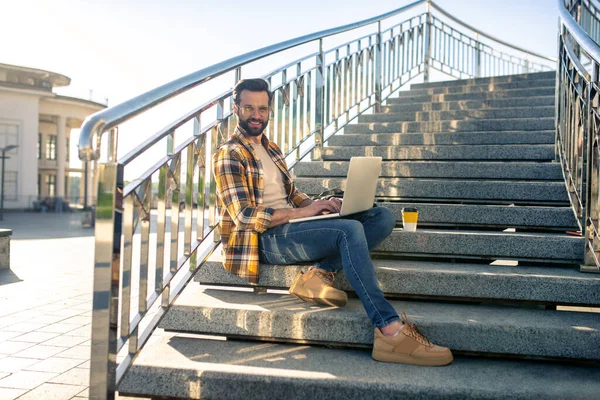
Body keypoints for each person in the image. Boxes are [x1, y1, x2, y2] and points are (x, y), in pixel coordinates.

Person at [213, 78, 453, 366]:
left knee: (380, 217)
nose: (256, 115)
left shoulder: (271, 148)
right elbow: (245, 216)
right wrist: (303, 213)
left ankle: (319, 273)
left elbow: (291, 194)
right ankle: (389, 329)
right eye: (249, 108)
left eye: (262, 109)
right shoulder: (229, 154)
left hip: (290, 228)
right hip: (262, 241)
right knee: (349, 230)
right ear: (236, 108)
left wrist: (322, 205)